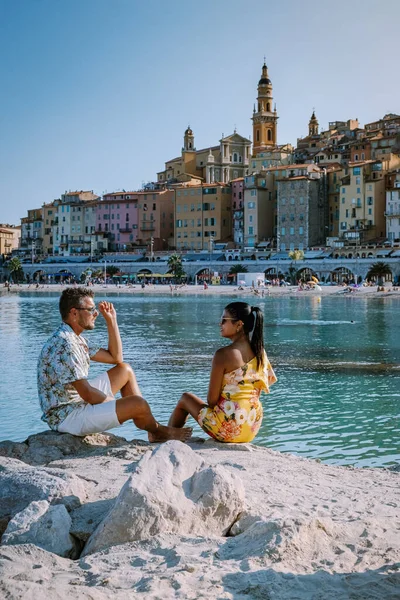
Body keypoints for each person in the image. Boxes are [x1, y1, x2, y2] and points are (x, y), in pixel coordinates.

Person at [37, 287, 192, 443]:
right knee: (138, 404)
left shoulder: (74, 338)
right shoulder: (66, 345)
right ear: (74, 313)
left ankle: (147, 423)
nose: (95, 313)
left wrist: (112, 321)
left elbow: (115, 358)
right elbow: (88, 394)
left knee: (125, 370)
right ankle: (158, 431)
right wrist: (117, 405)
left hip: (75, 402)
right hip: (67, 416)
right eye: (91, 309)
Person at [168, 302, 277, 443]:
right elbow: (257, 391)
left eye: (224, 320)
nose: (220, 324)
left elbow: (212, 401)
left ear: (239, 325)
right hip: (252, 427)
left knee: (185, 399)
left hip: (229, 430)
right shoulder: (260, 352)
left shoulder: (223, 355)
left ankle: (167, 435)